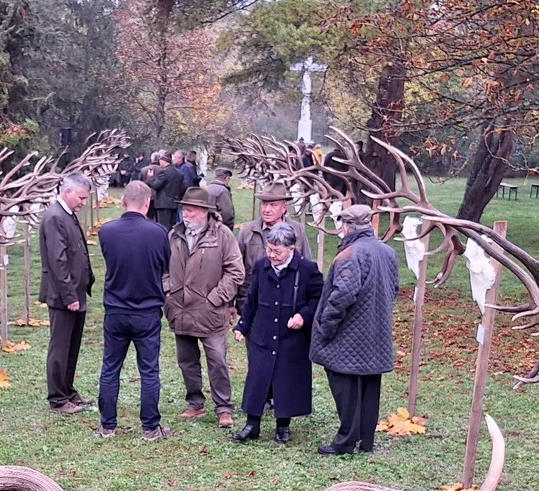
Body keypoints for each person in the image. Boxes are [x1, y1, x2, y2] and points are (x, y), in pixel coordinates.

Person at [310, 204, 398, 456]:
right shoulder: (388, 252)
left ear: (347, 227)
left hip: (349, 335)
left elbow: (342, 296)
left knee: (344, 386)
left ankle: (346, 441)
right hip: (377, 332)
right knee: (370, 386)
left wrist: (326, 327)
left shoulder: (351, 254)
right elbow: (393, 289)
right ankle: (366, 441)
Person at [96, 181, 172, 441]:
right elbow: (164, 265)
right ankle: (150, 427)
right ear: (148, 203)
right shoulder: (159, 232)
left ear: (122, 201)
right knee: (149, 370)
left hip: (116, 310)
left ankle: (107, 425)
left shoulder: (106, 231)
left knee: (110, 368)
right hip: (147, 311)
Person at [232, 222, 322, 444]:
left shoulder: (308, 269)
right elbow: (252, 298)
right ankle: (252, 425)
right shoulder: (262, 266)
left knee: (286, 379)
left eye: (277, 251)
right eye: (269, 249)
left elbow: (319, 298)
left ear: (291, 249)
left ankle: (283, 425)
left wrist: (303, 315)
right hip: (263, 332)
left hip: (291, 336)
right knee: (257, 378)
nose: (272, 255)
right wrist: (242, 326)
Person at [165, 186, 245, 428]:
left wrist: (215, 298)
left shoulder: (223, 236)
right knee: (186, 360)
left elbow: (236, 272)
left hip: (211, 313)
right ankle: (195, 403)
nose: (185, 215)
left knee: (217, 360)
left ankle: (224, 408)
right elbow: (162, 268)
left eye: (189, 210)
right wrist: (169, 291)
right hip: (180, 311)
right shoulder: (174, 235)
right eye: (183, 210)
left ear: (204, 211)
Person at [39, 173, 95, 414]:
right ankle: (58, 398)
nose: (84, 202)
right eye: (81, 197)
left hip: (77, 293)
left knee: (72, 346)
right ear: (67, 192)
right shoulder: (54, 217)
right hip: (64, 296)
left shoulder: (67, 214)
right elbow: (57, 260)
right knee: (60, 346)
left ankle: (68, 390)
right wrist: (69, 295)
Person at [236, 182, 309, 309]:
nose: (266, 210)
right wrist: (233, 302)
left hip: (287, 303)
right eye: (264, 204)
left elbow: (307, 267)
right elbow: (235, 268)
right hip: (253, 302)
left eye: (273, 205)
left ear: (284, 208)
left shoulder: (297, 231)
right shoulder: (248, 231)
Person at [146, 152, 184, 229]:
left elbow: (156, 185)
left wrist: (150, 178)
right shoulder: (178, 172)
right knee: (172, 226)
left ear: (164, 161)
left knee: (163, 227)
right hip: (174, 203)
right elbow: (182, 187)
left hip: (163, 204)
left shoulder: (164, 172)